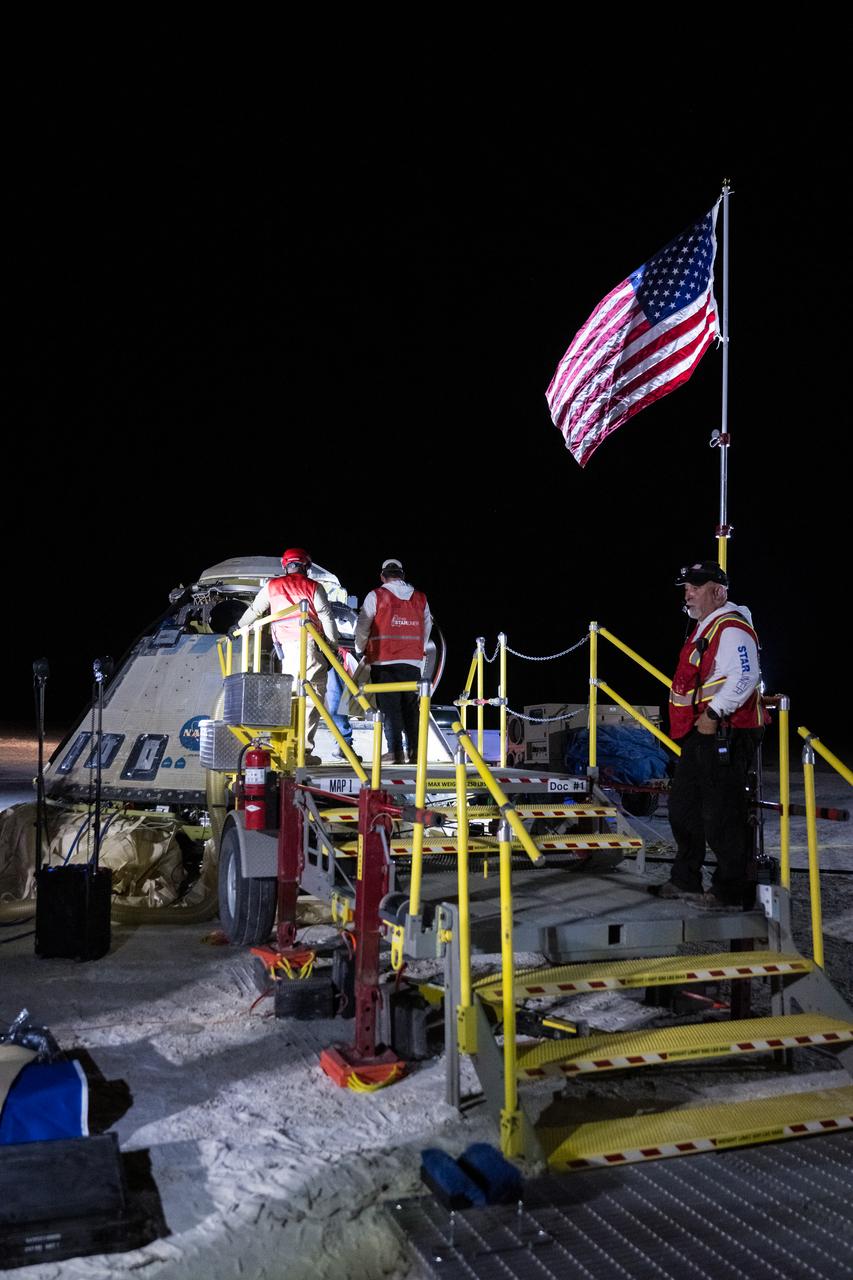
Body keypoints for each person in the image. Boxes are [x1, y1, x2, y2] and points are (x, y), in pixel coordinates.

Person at [651, 559, 769, 910]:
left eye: (695, 587)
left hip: (723, 732)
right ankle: (685, 878)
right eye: (686, 588)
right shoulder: (706, 626)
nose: (687, 594)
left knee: (722, 815)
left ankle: (731, 891)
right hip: (701, 733)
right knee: (683, 808)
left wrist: (714, 714)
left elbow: (747, 677)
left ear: (718, 592)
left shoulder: (730, 627)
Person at [237, 548, 338, 766]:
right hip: (309, 646)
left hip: (287, 649)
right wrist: (333, 646)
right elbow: (326, 617)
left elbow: (255, 610)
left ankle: (286, 748)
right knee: (312, 696)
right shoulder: (314, 587)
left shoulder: (272, 586)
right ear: (307, 566)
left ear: (285, 565)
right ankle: (303, 751)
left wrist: (237, 628)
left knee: (291, 697)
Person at [354, 558, 431, 765]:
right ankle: (415, 752)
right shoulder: (420, 598)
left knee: (390, 709)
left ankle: (395, 752)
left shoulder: (376, 596)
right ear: (402, 575)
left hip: (383, 661)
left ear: (382, 576)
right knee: (410, 708)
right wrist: (416, 649)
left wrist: (360, 648)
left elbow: (363, 626)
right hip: (412, 662)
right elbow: (426, 628)